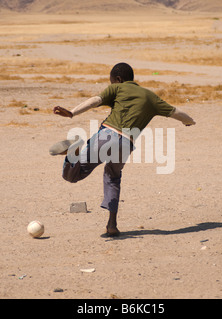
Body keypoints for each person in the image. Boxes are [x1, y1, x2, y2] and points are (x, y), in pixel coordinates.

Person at [50, 62, 195, 237]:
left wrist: (72, 112)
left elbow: (95, 100)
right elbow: (177, 112)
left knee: (71, 176)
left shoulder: (117, 89)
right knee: (113, 178)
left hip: (106, 136)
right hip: (126, 144)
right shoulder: (150, 97)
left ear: (118, 79)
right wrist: (189, 121)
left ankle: (73, 151)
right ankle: (112, 225)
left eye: (112, 82)